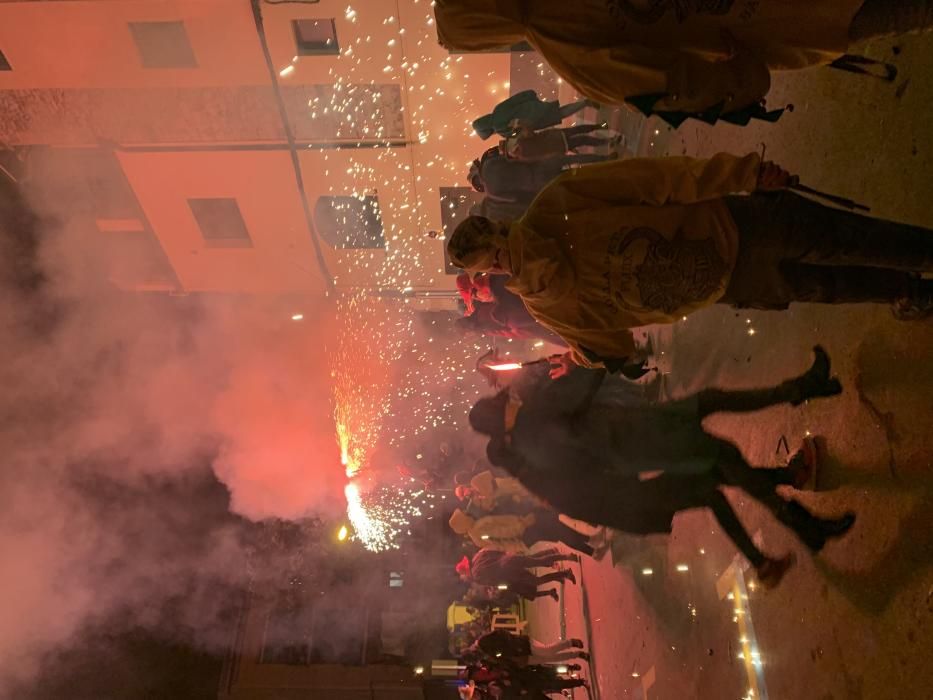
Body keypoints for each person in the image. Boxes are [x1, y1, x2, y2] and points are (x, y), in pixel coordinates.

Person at [447, 154, 933, 376]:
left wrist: (579, 358)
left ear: (483, 272)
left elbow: (614, 347)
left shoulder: (547, 309)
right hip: (728, 223)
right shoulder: (558, 202)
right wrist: (744, 173)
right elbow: (655, 178)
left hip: (722, 284)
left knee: (827, 283)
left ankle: (909, 292)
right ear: (497, 223)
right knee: (850, 241)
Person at [468, 347, 857, 588]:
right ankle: (802, 524)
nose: (512, 399)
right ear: (503, 413)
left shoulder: (528, 437)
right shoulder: (535, 423)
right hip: (645, 440)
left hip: (639, 435)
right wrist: (584, 357)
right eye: (506, 401)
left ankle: (801, 391)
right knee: (725, 464)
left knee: (711, 407)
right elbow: (584, 387)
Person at [435, 1, 933, 126]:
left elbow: (672, 86)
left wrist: (741, 77)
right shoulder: (561, 43)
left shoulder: (567, 50)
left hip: (769, 21)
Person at [456, 548, 577, 602]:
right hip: (510, 559)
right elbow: (493, 550)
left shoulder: (477, 576)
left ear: (466, 572)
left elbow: (494, 581)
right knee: (538, 561)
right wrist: (506, 555)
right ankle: (567, 557)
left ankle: (565, 573)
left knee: (537, 581)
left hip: (510, 574)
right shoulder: (478, 555)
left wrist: (507, 585)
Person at [472, 89, 597, 140]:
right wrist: (529, 94)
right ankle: (585, 102)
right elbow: (515, 99)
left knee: (560, 114)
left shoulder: (501, 131)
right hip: (533, 107)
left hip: (535, 121)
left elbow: (518, 133)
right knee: (559, 111)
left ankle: (585, 103)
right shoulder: (497, 109)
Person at [499, 124, 621, 162]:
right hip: (556, 137)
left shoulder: (522, 158)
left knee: (583, 139)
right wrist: (521, 126)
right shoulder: (521, 142)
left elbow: (541, 158)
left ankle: (607, 143)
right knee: (580, 133)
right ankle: (603, 132)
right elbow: (531, 132)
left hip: (559, 147)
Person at [471, 630, 589, 666]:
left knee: (547, 650)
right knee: (552, 658)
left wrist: (512, 641)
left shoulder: (483, 642)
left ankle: (571, 643)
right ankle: (577, 655)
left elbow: (500, 633)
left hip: (521, 645)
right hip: (522, 658)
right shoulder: (485, 658)